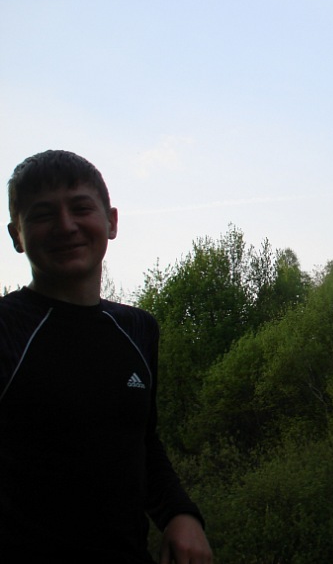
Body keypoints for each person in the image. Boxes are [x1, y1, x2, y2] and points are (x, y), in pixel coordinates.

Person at [0, 150, 213, 563]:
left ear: (111, 222)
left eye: (81, 208)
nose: (66, 225)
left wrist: (179, 514)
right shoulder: (8, 329)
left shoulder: (138, 329)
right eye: (43, 214)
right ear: (17, 235)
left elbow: (142, 442)